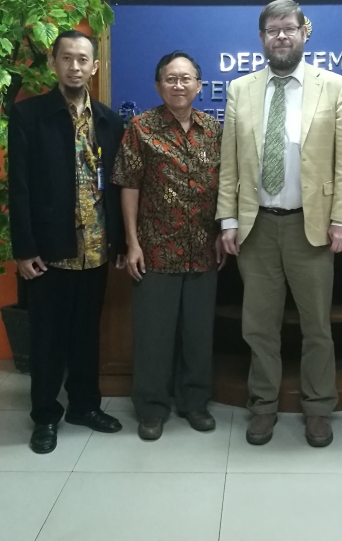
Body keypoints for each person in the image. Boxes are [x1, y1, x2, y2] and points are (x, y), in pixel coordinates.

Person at [217, 0, 342, 448]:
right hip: (256, 227)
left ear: (304, 33)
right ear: (262, 38)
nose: (281, 36)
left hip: (311, 227)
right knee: (258, 326)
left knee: (317, 326)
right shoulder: (240, 89)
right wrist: (227, 219)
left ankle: (318, 408)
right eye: (272, 30)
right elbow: (229, 162)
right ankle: (262, 406)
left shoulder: (334, 87)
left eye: (289, 28)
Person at [9, 30, 126, 454]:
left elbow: (115, 185)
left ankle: (84, 405)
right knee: (46, 339)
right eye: (67, 58)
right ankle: (45, 415)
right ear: (53, 63)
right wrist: (24, 249)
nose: (75, 67)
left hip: (95, 248)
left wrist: (119, 241)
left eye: (83, 60)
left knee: (86, 335)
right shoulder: (30, 116)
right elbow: (19, 186)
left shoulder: (109, 120)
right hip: (49, 251)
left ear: (94, 67)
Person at [113, 51, 225, 441]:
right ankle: (151, 408)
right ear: (159, 85)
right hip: (155, 250)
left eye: (186, 78)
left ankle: (195, 402)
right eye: (171, 79)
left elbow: (226, 186)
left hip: (204, 251)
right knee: (154, 336)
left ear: (199, 85)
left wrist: (223, 232)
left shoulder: (213, 129)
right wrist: (132, 243)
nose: (179, 85)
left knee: (198, 335)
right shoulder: (141, 128)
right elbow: (129, 186)